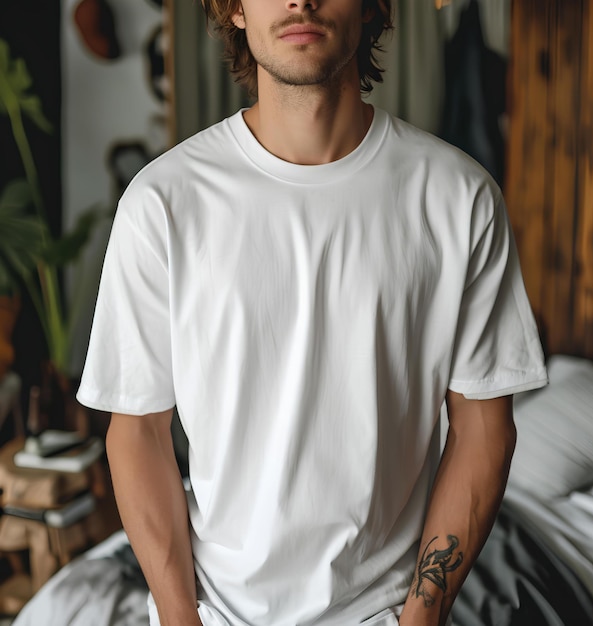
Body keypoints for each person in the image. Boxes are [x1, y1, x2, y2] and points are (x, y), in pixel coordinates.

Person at [77, 1, 548, 625]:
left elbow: (484, 428)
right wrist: (177, 616)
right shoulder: (163, 203)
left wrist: (423, 614)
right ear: (235, 9)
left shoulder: (458, 200)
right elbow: (136, 430)